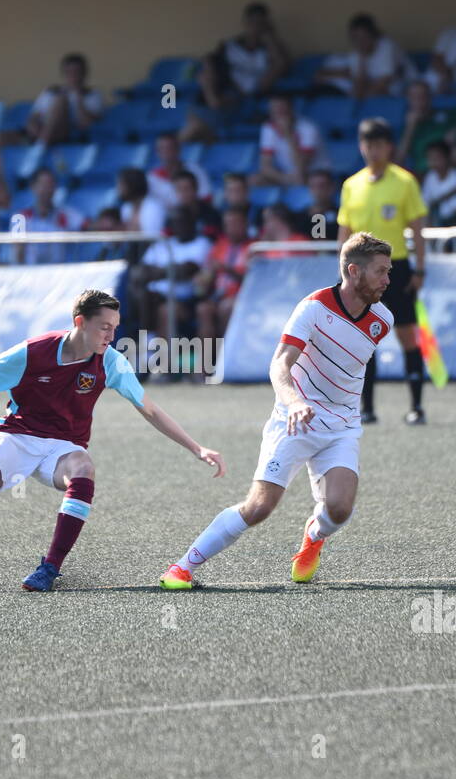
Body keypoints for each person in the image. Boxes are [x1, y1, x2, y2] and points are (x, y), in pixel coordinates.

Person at [0, 290, 224, 593]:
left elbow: (149, 409)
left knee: (83, 469)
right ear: (80, 322)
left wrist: (197, 448)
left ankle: (50, 568)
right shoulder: (34, 352)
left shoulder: (111, 362)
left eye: (115, 328)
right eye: (105, 326)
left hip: (63, 447)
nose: (111, 335)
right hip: (17, 435)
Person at [158, 232, 395, 590]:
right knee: (259, 508)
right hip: (294, 421)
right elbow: (279, 365)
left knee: (340, 509)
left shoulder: (383, 320)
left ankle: (314, 536)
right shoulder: (313, 309)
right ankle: (182, 567)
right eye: (381, 272)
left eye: (388, 271)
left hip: (343, 425)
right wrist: (295, 402)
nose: (388, 280)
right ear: (354, 272)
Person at [338, 118, 429, 425]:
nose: (372, 150)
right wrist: (344, 273)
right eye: (367, 144)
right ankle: (366, 409)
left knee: (406, 335)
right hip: (360, 274)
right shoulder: (351, 185)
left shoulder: (404, 182)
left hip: (397, 269)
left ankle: (416, 406)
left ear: (389, 147)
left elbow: (417, 229)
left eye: (378, 144)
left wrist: (420, 269)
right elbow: (345, 232)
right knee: (362, 339)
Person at [183, 1, 290, 142]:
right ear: (245, 23)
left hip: (247, 99)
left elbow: (281, 65)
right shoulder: (230, 46)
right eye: (252, 22)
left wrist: (269, 38)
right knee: (195, 122)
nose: (256, 27)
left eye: (260, 23)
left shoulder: (271, 50)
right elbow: (210, 63)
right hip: (224, 94)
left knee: (194, 128)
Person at [129, 204, 211, 345]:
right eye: (175, 222)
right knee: (134, 289)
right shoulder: (163, 244)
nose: (179, 226)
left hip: (185, 300)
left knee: (165, 309)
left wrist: (156, 271)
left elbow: (188, 270)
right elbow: (140, 271)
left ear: (192, 222)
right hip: (154, 296)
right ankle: (145, 340)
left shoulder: (202, 243)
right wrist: (169, 271)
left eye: (183, 221)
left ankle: (160, 357)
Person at [314, 13, 411, 98]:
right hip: (373, 87)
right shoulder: (356, 53)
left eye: (363, 37)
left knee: (383, 92)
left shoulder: (387, 47)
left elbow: (383, 83)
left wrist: (360, 100)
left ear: (373, 35)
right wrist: (362, 60)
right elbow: (358, 86)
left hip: (406, 85)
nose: (359, 42)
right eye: (355, 38)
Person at [1, 166, 85, 264]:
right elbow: (17, 251)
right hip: (30, 274)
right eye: (43, 185)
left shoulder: (67, 214)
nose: (47, 189)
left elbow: (91, 226)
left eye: (50, 184)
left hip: (58, 273)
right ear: (33, 187)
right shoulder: (19, 218)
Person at [195, 204, 252, 347]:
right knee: (203, 309)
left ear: (245, 224)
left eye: (235, 223)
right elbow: (207, 273)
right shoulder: (220, 245)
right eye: (228, 224)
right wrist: (203, 279)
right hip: (219, 296)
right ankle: (204, 364)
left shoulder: (254, 247)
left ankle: (226, 360)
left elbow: (253, 281)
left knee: (226, 307)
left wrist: (227, 270)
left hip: (243, 298)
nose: (231, 228)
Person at [26, 53, 104, 146]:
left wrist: (78, 97)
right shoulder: (51, 91)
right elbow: (35, 116)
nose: (73, 75)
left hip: (71, 135)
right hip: (42, 130)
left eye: (77, 71)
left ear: (84, 73)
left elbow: (86, 124)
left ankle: (40, 146)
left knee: (61, 101)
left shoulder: (92, 94)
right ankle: (41, 143)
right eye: (69, 72)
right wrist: (33, 126)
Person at [253, 95, 326, 187]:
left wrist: (288, 135)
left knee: (300, 178)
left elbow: (301, 166)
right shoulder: (268, 128)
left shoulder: (308, 128)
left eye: (281, 110)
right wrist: (284, 179)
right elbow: (265, 166)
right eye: (274, 110)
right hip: (287, 175)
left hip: (314, 173)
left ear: (291, 110)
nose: (278, 114)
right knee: (255, 180)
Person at [146, 133, 211, 209]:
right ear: (157, 152)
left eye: (170, 148)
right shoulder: (152, 177)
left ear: (178, 149)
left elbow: (206, 198)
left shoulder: (195, 170)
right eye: (161, 148)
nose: (166, 152)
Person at [420, 139, 456, 223]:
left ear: (447, 157)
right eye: (430, 158)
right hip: (440, 222)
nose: (433, 162)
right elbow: (424, 203)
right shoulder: (430, 176)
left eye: (437, 157)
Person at [303, 168, 339, 240]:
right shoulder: (299, 218)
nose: (317, 191)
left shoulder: (341, 216)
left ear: (331, 188)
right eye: (313, 186)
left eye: (321, 186)